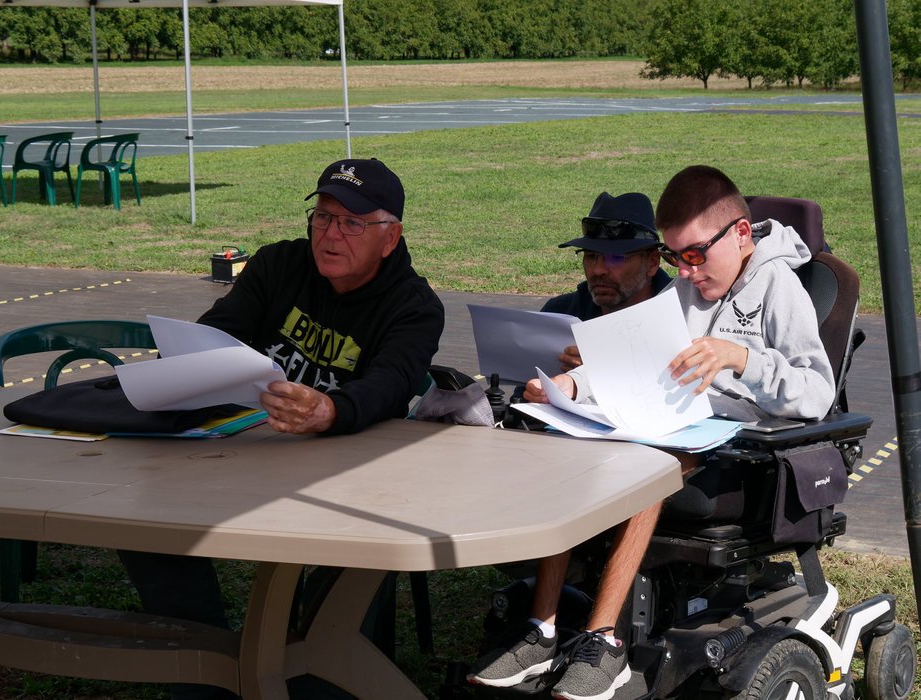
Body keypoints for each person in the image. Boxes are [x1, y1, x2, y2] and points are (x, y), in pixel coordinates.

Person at [468, 165, 835, 700]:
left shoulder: (780, 286)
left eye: (695, 255)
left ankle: (604, 642)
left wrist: (742, 359)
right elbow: (638, 361)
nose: (684, 272)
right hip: (677, 424)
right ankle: (541, 629)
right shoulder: (687, 291)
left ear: (739, 233)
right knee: (567, 449)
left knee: (647, 467)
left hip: (746, 451)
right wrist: (572, 385)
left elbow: (817, 391)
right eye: (674, 256)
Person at [119, 158, 445, 700]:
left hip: (351, 475)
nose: (330, 235)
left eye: (352, 223)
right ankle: (202, 664)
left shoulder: (415, 306)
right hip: (248, 450)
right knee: (144, 517)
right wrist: (189, 364)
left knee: (356, 557)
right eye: (323, 218)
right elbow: (217, 333)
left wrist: (330, 411)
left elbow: (391, 383)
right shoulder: (277, 264)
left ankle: (322, 670)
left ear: (390, 237)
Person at [540, 192, 670, 372]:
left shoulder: (686, 316)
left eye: (615, 258)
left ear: (652, 262)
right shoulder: (559, 315)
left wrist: (601, 373)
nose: (597, 270)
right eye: (591, 256)